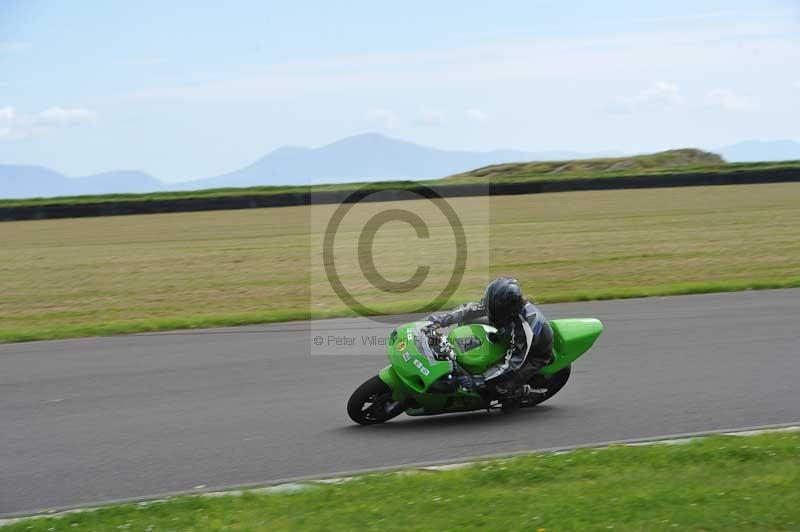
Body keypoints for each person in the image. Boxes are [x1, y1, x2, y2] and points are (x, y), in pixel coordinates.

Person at [426, 277, 554, 405]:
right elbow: (470, 309)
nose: (488, 309)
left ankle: (521, 391)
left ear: (508, 309)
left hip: (535, 352)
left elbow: (512, 365)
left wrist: (479, 379)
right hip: (507, 329)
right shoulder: (499, 305)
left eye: (494, 308)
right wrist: (441, 320)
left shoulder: (523, 328)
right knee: (466, 321)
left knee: (502, 387)